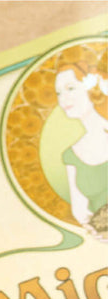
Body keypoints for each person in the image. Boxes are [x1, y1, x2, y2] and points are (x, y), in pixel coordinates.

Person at [55, 63, 108, 230]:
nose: (63, 99)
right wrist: (96, 231)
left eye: (70, 88)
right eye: (58, 93)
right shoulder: (72, 155)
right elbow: (80, 211)